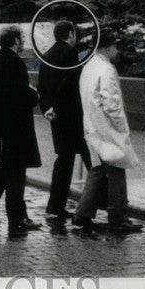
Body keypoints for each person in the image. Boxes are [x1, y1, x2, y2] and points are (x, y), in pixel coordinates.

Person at [73, 30, 143, 234]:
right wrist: (122, 129)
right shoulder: (106, 69)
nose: (117, 50)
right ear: (108, 47)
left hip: (92, 126)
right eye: (115, 47)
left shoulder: (88, 67)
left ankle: (83, 213)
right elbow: (112, 105)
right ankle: (118, 217)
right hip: (107, 128)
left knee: (99, 170)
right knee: (116, 170)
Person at [0, 25, 42, 234]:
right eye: (21, 39)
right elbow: (22, 96)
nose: (23, 43)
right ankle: (17, 219)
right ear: (14, 40)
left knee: (4, 169)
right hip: (16, 129)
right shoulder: (15, 63)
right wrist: (35, 95)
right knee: (16, 174)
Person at [38, 19, 91, 220]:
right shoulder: (70, 54)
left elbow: (42, 87)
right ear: (70, 33)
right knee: (92, 161)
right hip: (74, 117)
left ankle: (55, 205)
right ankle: (101, 203)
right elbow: (70, 85)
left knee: (63, 161)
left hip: (56, 117)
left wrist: (47, 109)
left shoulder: (47, 55)